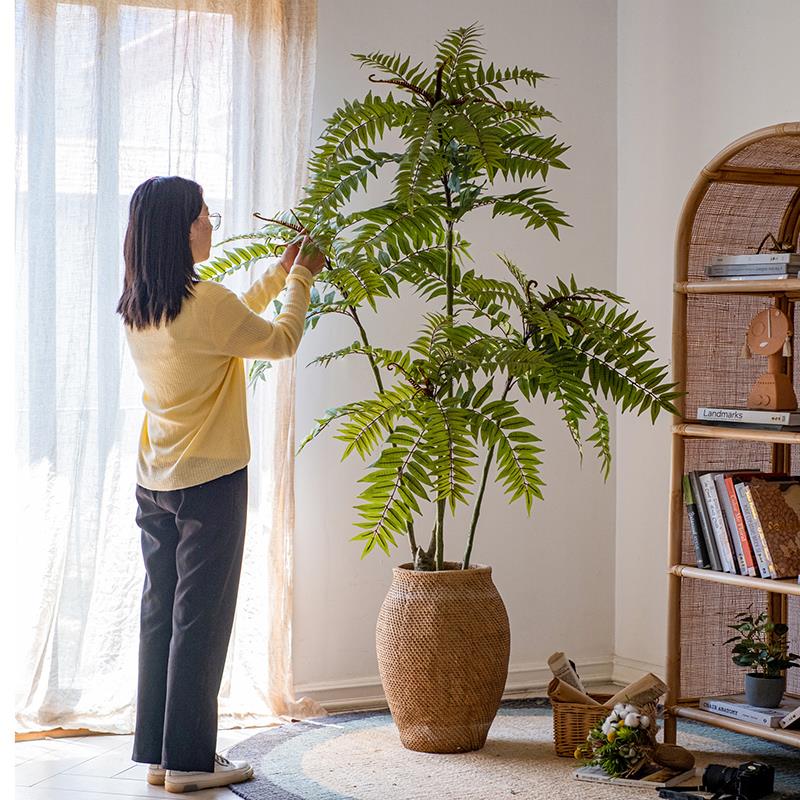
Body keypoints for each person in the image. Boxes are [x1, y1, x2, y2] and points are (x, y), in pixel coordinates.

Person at [117, 175, 325, 794]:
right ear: (180, 230)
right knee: (201, 621)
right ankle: (190, 762)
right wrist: (302, 278)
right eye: (204, 215)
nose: (211, 224)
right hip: (209, 480)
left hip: (155, 479)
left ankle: (160, 754)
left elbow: (228, 322)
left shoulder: (140, 303)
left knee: (162, 614)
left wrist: (277, 272)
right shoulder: (205, 304)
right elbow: (280, 340)